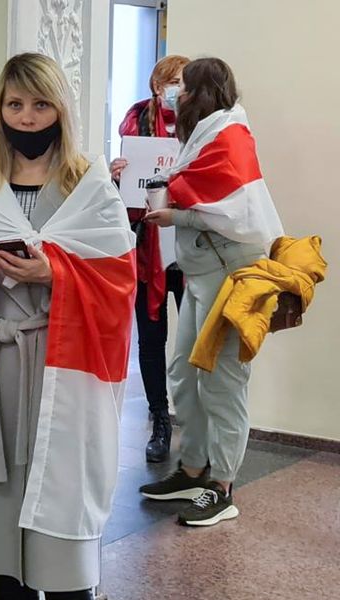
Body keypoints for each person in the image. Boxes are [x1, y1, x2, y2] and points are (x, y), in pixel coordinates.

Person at [0, 53, 136, 600]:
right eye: (15, 105)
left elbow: (117, 284)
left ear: (60, 110)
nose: (28, 118)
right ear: (0, 111)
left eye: (41, 105)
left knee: (59, 513)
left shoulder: (90, 189)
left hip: (62, 373)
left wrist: (55, 272)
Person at [139, 58, 284, 526]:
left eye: (181, 86)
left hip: (231, 273)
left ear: (201, 90)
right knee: (184, 372)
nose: (172, 93)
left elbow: (232, 214)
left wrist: (174, 215)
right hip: (203, 273)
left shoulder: (230, 135)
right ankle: (193, 468)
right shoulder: (204, 132)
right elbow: (194, 188)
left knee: (222, 382)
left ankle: (222, 486)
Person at [111, 54, 190, 462]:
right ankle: (159, 418)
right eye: (172, 81)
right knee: (151, 337)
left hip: (190, 247)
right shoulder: (136, 122)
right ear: (157, 86)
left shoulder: (201, 123)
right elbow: (124, 187)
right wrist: (116, 174)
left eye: (184, 81)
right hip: (147, 249)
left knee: (196, 336)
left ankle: (198, 425)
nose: (179, 88)